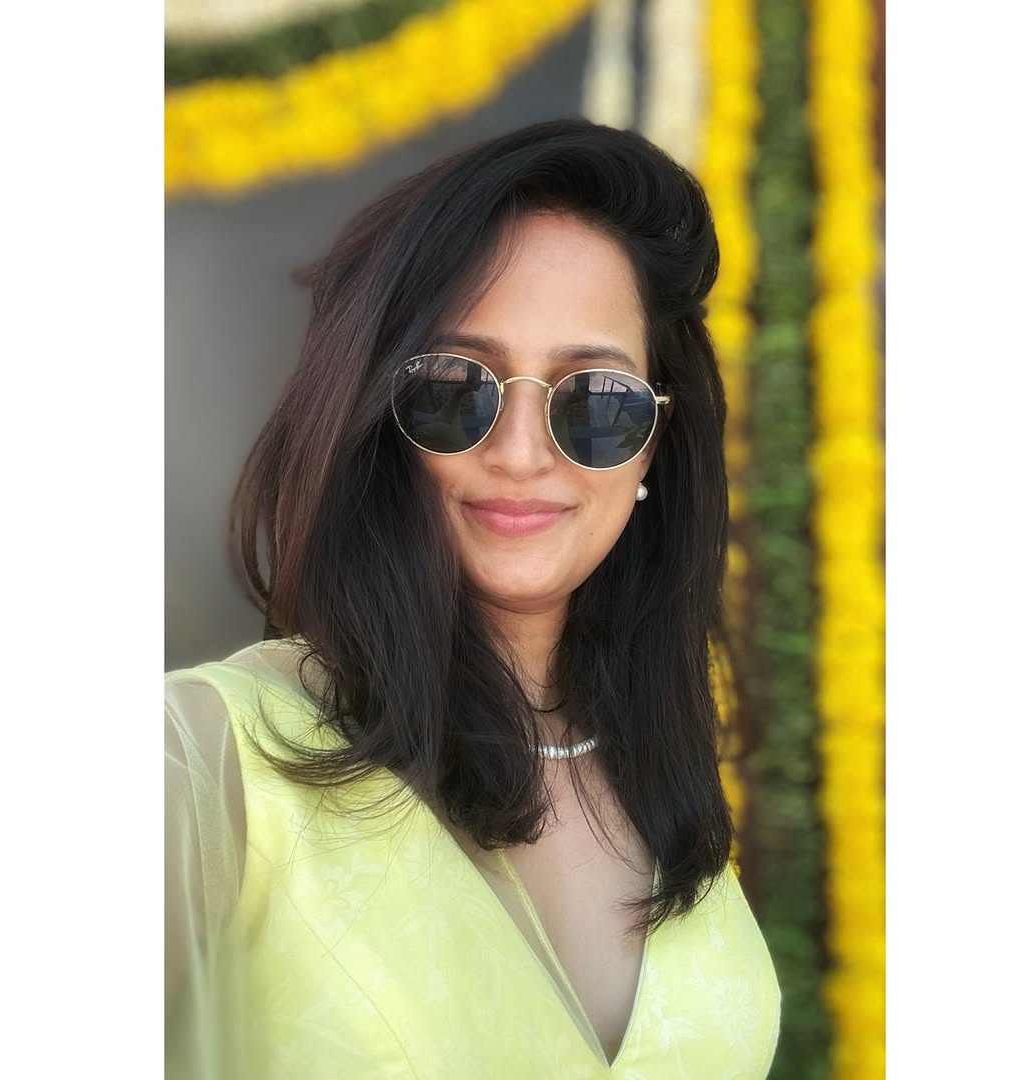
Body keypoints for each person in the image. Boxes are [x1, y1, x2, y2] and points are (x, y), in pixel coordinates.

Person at [165, 118, 781, 1079]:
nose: (523, 453)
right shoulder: (202, 759)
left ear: (656, 446)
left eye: (597, 398)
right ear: (377, 417)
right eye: (458, 386)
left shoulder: (661, 767)